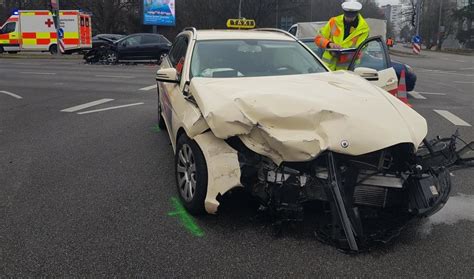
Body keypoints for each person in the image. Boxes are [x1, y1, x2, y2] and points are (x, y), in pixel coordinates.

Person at [314, 0, 370, 71]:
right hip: (326, 70)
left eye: (351, 17)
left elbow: (359, 52)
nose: (349, 19)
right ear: (344, 12)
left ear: (356, 14)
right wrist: (329, 44)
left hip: (347, 72)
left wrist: (340, 56)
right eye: (347, 16)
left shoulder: (364, 29)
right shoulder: (334, 22)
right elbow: (318, 39)